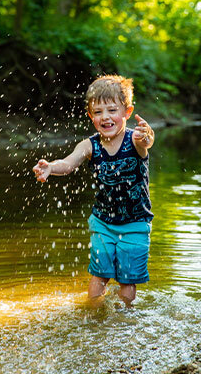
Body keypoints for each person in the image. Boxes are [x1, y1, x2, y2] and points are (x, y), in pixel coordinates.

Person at [32, 75, 154, 307]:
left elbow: (147, 142)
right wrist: (50, 168)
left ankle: (126, 316)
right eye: (98, 112)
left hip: (136, 223)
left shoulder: (135, 140)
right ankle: (93, 313)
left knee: (128, 281)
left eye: (112, 110)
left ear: (127, 113)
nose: (105, 117)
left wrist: (147, 135)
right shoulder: (90, 145)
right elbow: (67, 164)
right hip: (103, 223)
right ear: (91, 116)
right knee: (100, 275)